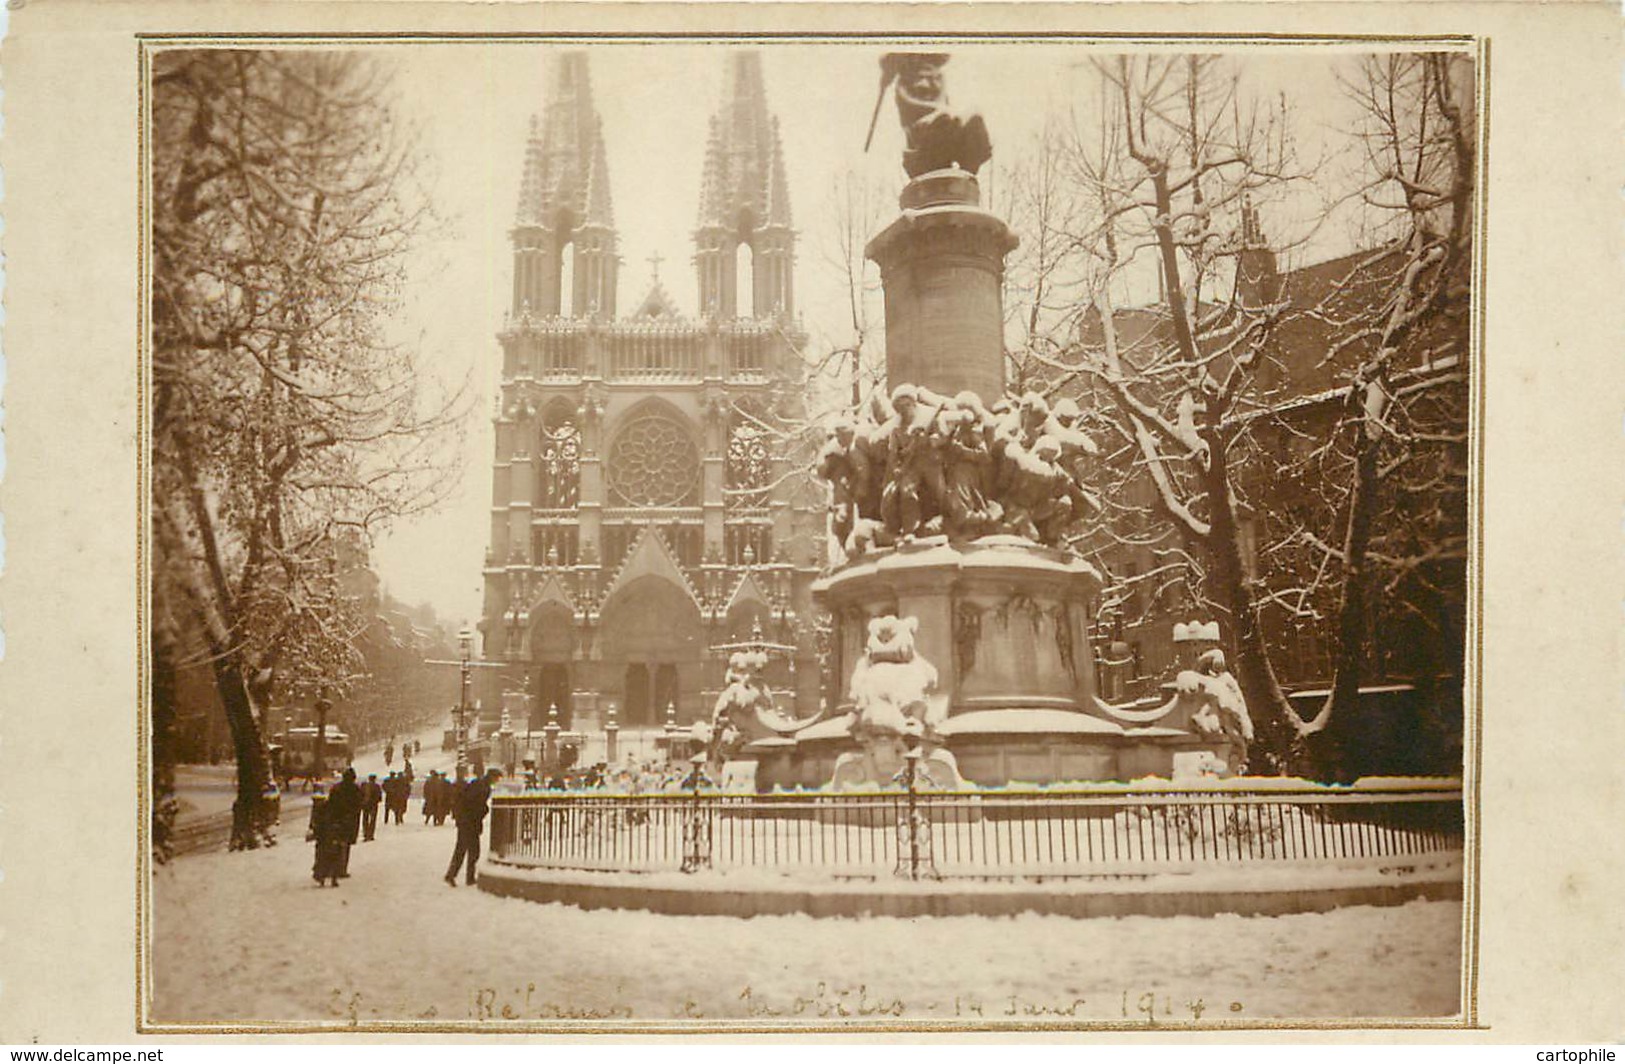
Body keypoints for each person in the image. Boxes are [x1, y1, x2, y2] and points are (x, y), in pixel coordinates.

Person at [444, 768, 502, 888]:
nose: (497, 781)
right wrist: (484, 810)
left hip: (467, 821)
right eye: (497, 778)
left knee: (466, 849)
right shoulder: (483, 787)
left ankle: (461, 876)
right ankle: (456, 876)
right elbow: (474, 803)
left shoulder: (479, 784)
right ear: (493, 777)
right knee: (468, 850)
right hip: (470, 822)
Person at [325, 768, 363, 878]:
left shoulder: (336, 788)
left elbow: (330, 804)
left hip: (335, 819)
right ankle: (341, 869)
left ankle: (331, 868)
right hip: (349, 821)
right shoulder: (355, 789)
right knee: (345, 846)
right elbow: (359, 804)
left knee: (333, 844)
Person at [360, 773, 383, 841]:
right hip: (373, 805)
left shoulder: (364, 786)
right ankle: (371, 834)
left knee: (365, 819)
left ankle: (365, 833)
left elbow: (360, 794)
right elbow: (379, 797)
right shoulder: (377, 786)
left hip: (365, 805)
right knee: (372, 820)